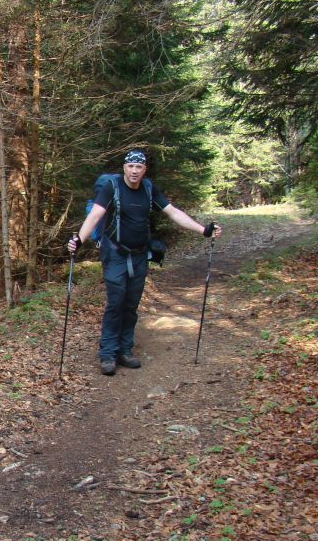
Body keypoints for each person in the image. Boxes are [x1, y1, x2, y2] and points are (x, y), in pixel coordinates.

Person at [68, 150, 222, 376]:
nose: (134, 171)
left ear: (144, 170)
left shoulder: (148, 189)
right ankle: (108, 353)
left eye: (138, 167)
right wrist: (79, 239)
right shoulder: (113, 187)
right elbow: (95, 216)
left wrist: (203, 230)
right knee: (116, 301)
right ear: (124, 168)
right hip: (115, 255)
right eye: (130, 166)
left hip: (140, 256)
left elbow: (173, 213)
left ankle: (125, 350)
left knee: (131, 304)